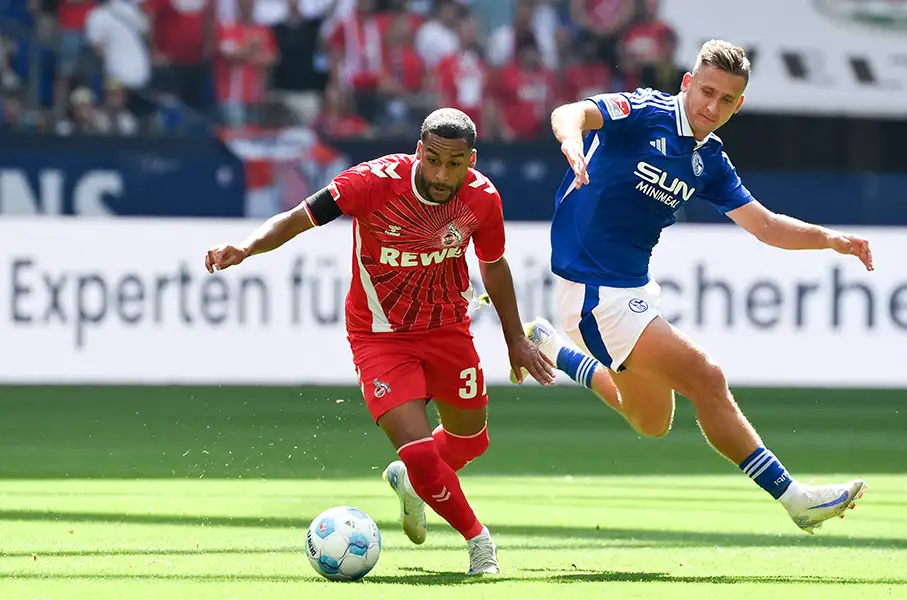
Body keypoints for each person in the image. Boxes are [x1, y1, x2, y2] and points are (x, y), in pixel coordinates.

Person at [517, 39, 873, 535]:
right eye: (706, 91)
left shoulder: (709, 160)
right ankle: (795, 498)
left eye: (726, 100)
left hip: (628, 290)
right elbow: (570, 112)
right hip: (596, 292)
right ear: (687, 83)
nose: (712, 106)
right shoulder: (643, 112)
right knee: (706, 377)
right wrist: (572, 142)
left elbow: (765, 225)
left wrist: (830, 239)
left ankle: (558, 353)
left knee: (652, 422)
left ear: (738, 105)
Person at [204, 108, 555, 574]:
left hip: (448, 328)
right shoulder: (369, 183)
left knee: (470, 443)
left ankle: (412, 485)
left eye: (453, 164)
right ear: (418, 151)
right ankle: (478, 541)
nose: (440, 173)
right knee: (419, 451)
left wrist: (515, 339)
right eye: (432, 159)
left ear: (471, 160)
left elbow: (493, 265)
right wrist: (247, 247)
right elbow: (298, 217)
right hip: (379, 336)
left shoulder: (482, 198)